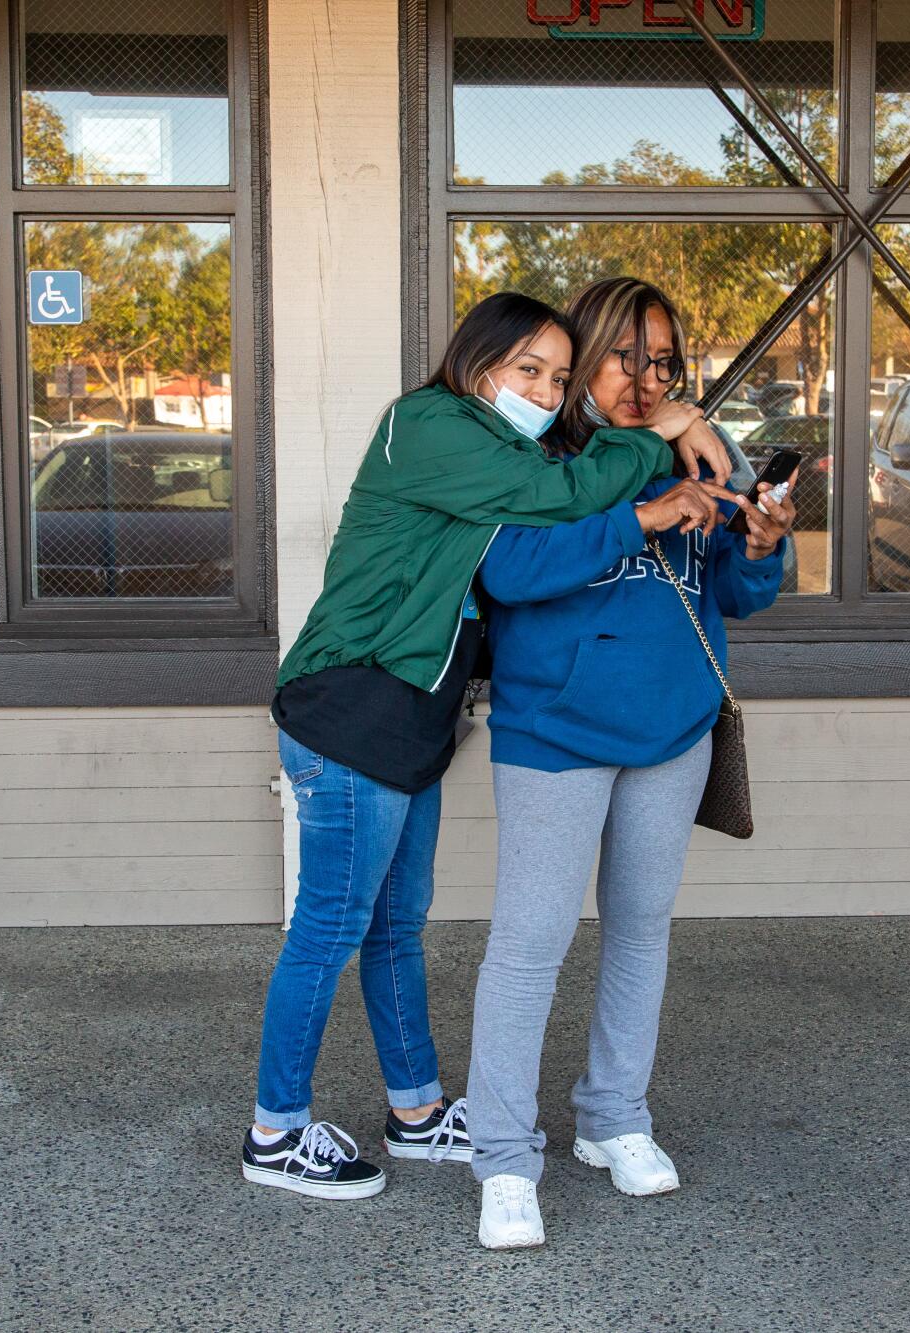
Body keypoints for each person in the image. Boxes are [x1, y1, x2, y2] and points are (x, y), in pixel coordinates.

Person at [242, 291, 738, 1201]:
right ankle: (276, 1130)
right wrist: (664, 429)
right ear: (478, 364)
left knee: (395, 926)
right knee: (330, 928)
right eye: (529, 372)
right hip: (354, 701)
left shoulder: (503, 445)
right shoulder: (432, 425)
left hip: (415, 714)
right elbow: (564, 495)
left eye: (557, 377)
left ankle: (420, 1111)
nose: (546, 393)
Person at [465, 278, 799, 1247]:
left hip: (673, 730)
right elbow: (510, 572)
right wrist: (646, 507)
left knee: (640, 929)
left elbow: (735, 593)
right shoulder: (537, 457)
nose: (644, 381)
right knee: (529, 945)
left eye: (663, 363)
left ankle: (613, 1118)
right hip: (555, 736)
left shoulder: (701, 450)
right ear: (584, 356)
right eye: (625, 358)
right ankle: (502, 1155)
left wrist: (764, 542)